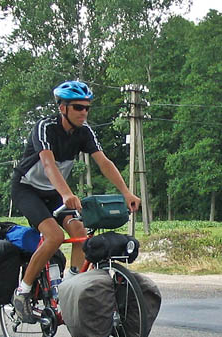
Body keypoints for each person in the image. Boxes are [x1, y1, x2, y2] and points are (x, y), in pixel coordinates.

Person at [11, 80, 141, 324]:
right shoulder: (45, 127)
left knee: (80, 231)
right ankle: (24, 290)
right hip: (28, 189)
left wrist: (126, 192)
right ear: (63, 108)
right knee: (54, 236)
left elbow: (104, 163)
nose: (84, 112)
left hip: (54, 192)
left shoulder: (84, 132)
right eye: (78, 107)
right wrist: (66, 194)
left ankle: (69, 285)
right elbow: (48, 164)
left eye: (87, 108)